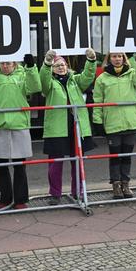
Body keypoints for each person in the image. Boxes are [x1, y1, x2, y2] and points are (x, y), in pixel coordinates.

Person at [0, 54, 41, 210]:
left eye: (8, 63)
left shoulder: (23, 75)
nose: (5, 65)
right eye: (3, 63)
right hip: (0, 125)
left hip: (19, 124)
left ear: (14, 63)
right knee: (1, 166)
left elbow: (35, 87)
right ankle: (4, 199)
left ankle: (20, 200)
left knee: (20, 166)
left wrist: (32, 67)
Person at [40, 48, 97, 205]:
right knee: (55, 164)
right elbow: (43, 81)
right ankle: (55, 194)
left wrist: (91, 61)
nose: (61, 67)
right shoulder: (50, 83)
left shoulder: (75, 80)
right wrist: (46, 64)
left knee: (77, 161)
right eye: (57, 65)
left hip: (76, 125)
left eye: (63, 64)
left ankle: (77, 191)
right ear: (52, 68)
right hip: (57, 127)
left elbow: (88, 77)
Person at [93, 45, 136, 199]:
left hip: (131, 122)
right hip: (112, 123)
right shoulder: (102, 78)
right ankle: (116, 185)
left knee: (126, 155)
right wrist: (97, 121)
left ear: (124, 59)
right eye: (114, 56)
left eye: (120, 56)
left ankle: (126, 184)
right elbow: (97, 101)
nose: (117, 59)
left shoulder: (132, 74)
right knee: (115, 156)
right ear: (108, 59)